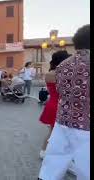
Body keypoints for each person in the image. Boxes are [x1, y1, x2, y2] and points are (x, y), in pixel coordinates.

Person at [38, 24, 90, 180]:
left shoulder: (63, 66)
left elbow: (60, 91)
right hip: (85, 125)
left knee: (53, 164)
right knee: (86, 169)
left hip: (63, 119)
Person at [38, 50, 71, 159]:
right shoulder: (63, 74)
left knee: (53, 131)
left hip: (52, 103)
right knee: (57, 132)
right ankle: (45, 151)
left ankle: (45, 151)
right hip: (60, 105)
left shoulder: (49, 74)